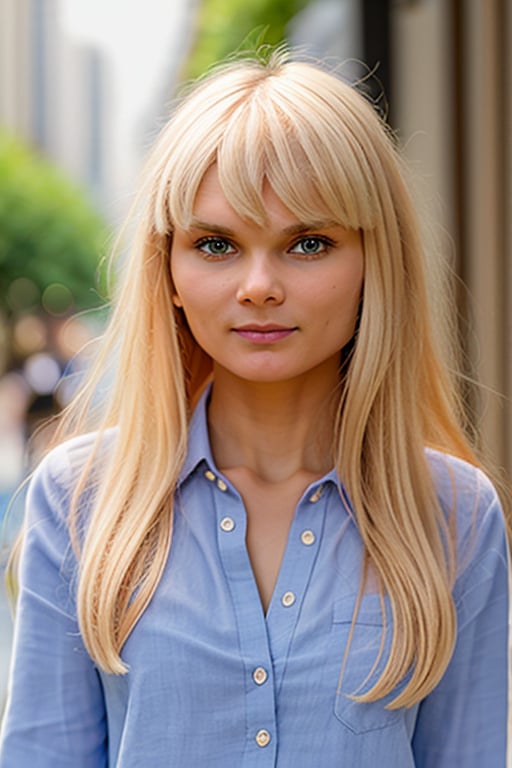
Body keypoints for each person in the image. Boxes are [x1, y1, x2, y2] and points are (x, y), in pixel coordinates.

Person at [0, 48, 509, 767]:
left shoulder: (455, 515)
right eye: (216, 244)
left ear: (374, 262)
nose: (259, 285)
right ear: (168, 270)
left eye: (308, 242)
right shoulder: (80, 500)